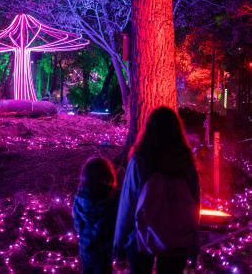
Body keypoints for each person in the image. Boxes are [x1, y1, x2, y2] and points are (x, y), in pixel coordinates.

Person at [113, 106, 200, 274]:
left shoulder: (140, 161)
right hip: (178, 236)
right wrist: (193, 244)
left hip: (140, 236)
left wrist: (119, 243)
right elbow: (195, 201)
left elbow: (128, 203)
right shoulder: (186, 161)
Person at [73, 156, 119, 274]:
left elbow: (77, 221)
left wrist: (83, 232)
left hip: (86, 245)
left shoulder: (80, 196)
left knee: (87, 270)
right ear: (108, 174)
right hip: (105, 247)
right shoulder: (112, 197)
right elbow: (116, 221)